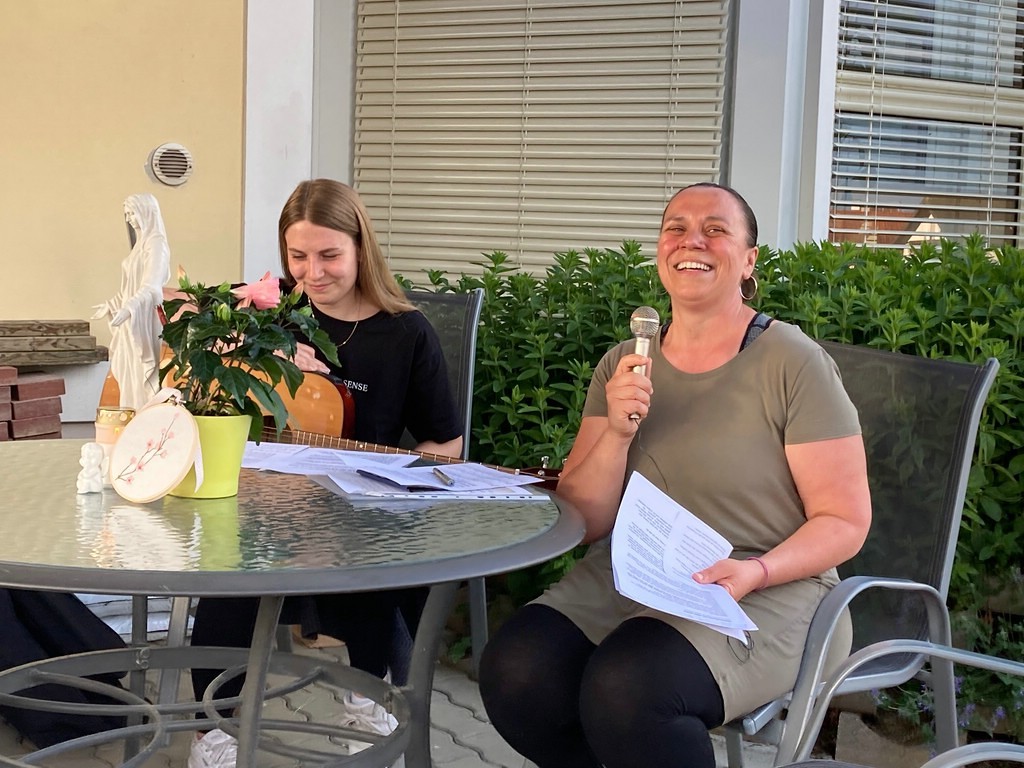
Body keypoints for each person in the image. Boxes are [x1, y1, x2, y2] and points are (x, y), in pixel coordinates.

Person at [477, 182, 872, 768]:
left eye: (716, 230)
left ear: (748, 260)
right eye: (676, 228)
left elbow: (845, 520)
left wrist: (757, 571)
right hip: (643, 571)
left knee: (630, 689)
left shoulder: (794, 362)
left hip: (767, 587)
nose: (693, 241)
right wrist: (616, 432)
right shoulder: (625, 363)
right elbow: (586, 519)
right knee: (517, 673)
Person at [188, 179, 463, 768]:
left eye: (329, 255)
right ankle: (214, 726)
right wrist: (238, 348)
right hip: (264, 501)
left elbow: (445, 440)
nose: (312, 273)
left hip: (359, 506)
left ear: (362, 247)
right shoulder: (269, 317)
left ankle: (365, 697)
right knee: (226, 568)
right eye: (298, 256)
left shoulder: (406, 332)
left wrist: (398, 482)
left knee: (361, 555)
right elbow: (195, 354)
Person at [92, 193, 171, 411]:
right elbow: (129, 288)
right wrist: (111, 305)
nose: (129, 219)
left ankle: (144, 417)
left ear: (146, 212)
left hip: (143, 320)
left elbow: (152, 286)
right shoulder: (140, 246)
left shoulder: (156, 244)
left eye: (132, 213)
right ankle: (132, 416)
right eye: (126, 214)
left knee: (142, 374)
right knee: (130, 374)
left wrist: (129, 308)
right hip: (131, 319)